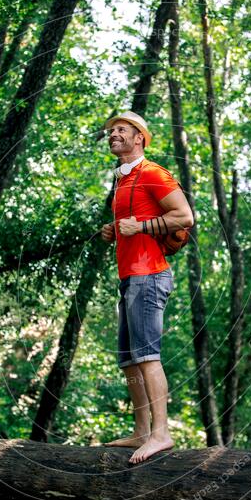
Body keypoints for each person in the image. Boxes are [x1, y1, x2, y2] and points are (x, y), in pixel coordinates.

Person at [100, 111, 193, 464]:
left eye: (121, 130)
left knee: (147, 357)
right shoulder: (123, 180)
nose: (113, 135)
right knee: (129, 360)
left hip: (149, 275)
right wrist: (114, 230)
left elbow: (184, 217)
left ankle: (161, 434)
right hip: (130, 277)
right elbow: (131, 224)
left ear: (139, 137)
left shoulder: (153, 173)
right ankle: (141, 431)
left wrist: (139, 227)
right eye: (111, 131)